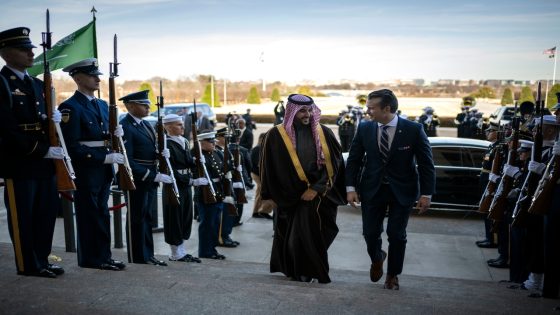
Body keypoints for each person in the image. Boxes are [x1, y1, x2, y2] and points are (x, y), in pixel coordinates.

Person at [345, 89, 435, 290]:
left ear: (387, 108)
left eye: (371, 107)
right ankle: (377, 258)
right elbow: (354, 160)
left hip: (402, 191)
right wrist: (350, 187)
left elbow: (426, 164)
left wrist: (426, 194)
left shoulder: (414, 129)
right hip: (372, 189)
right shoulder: (365, 128)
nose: (367, 111)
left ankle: (393, 275)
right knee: (370, 233)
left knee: (396, 234)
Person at [0, 27, 65, 278]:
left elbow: (42, 120)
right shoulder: (3, 83)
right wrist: (41, 150)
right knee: (23, 218)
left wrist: (56, 122)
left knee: (45, 214)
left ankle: (42, 259)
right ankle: (28, 264)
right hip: (20, 161)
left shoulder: (37, 83)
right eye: (23, 49)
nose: (30, 53)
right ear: (6, 53)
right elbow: (5, 127)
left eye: (31, 49)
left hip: (44, 161)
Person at [261, 94, 346, 283]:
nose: (306, 114)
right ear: (291, 112)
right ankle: (302, 272)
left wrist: (315, 188)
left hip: (320, 195)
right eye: (301, 111)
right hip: (289, 196)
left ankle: (305, 270)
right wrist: (271, 193)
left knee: (322, 233)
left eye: (309, 110)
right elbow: (268, 166)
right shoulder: (276, 135)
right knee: (295, 237)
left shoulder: (324, 133)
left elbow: (335, 164)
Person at [58, 58, 126, 271]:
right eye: (92, 75)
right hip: (87, 170)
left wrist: (115, 136)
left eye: (98, 75)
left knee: (102, 214)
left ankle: (104, 256)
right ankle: (91, 258)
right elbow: (72, 146)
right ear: (78, 78)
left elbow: (103, 135)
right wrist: (102, 157)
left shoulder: (102, 105)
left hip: (104, 169)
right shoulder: (70, 107)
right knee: (90, 215)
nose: (98, 79)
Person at [120, 90, 170, 266]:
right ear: (130, 106)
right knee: (137, 218)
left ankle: (148, 255)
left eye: (148, 104)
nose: (148, 107)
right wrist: (152, 175)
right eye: (144, 104)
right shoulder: (125, 126)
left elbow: (148, 151)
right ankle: (137, 257)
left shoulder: (146, 125)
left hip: (149, 179)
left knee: (147, 217)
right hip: (137, 180)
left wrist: (160, 153)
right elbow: (128, 160)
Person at [162, 114, 200, 263]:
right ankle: (175, 253)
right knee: (174, 218)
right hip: (174, 184)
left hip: (185, 185)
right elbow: (171, 169)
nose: (183, 127)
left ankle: (181, 251)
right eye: (179, 125)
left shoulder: (183, 141)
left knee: (185, 216)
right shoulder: (165, 143)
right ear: (169, 127)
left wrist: (196, 160)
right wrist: (191, 181)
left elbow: (187, 161)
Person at [191, 131, 228, 259]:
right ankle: (205, 252)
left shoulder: (214, 153)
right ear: (202, 143)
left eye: (214, 141)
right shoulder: (197, 155)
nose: (214, 144)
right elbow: (195, 172)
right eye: (211, 142)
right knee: (207, 225)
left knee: (215, 224)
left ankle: (212, 249)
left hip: (217, 192)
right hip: (205, 194)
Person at [476, 122, 500, 249]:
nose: (487, 133)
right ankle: (488, 237)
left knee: (489, 210)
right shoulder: (491, 147)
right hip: (485, 179)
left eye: (490, 131)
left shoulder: (498, 147)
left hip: (490, 181)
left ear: (497, 133)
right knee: (485, 210)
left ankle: (493, 240)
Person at [250, 133, 274, 219]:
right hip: (257, 174)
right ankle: (261, 211)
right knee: (264, 191)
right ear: (260, 139)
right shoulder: (257, 149)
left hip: (260, 174)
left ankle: (259, 211)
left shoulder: (263, 148)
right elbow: (259, 164)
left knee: (261, 192)